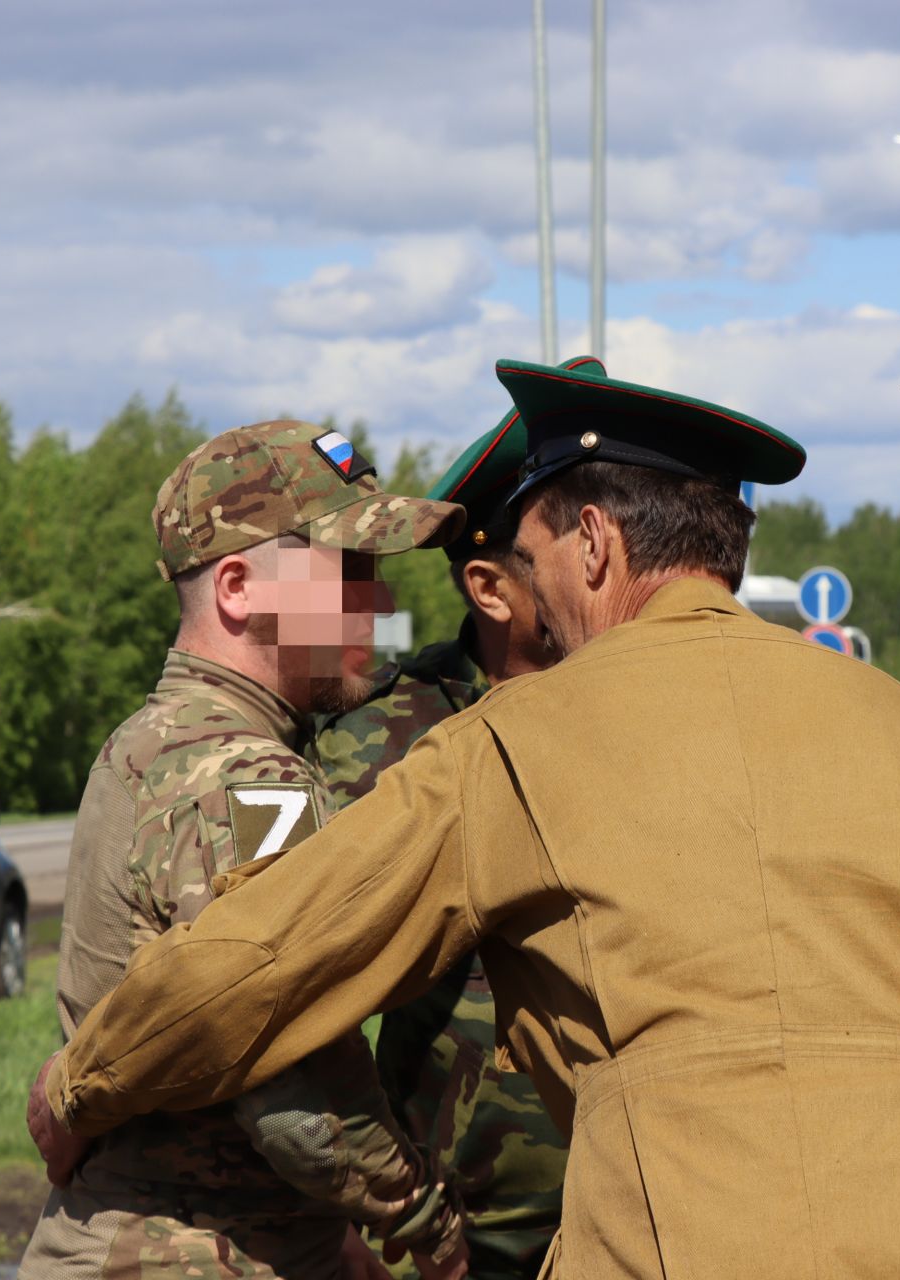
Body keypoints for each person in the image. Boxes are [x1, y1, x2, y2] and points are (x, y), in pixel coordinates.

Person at [27, 357, 900, 1280]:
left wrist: (82, 1081)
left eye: (531, 561)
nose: (534, 608)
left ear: (597, 546)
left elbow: (255, 962)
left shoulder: (513, 741)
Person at [19, 419, 470, 1280]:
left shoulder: (146, 742)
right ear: (238, 588)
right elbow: (292, 1080)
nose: (377, 603)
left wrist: (330, 1242)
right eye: (349, 572)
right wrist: (425, 1222)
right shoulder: (251, 777)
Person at [313, 361, 598, 1278]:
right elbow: (302, 1002)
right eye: (573, 537)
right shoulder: (381, 741)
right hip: (466, 1243)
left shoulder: (661, 710)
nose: (604, 556)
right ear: (492, 587)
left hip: (650, 1218)